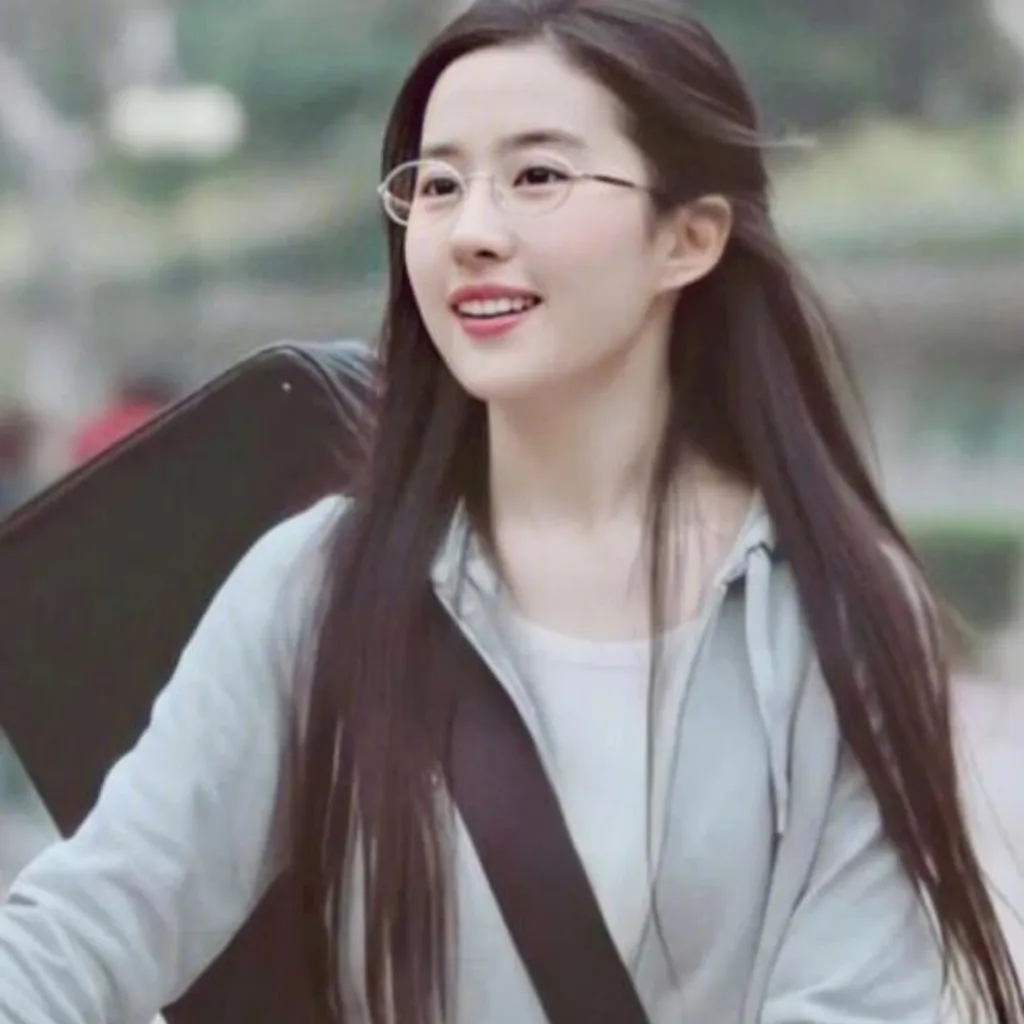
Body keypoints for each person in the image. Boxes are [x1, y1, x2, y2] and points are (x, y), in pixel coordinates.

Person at [0, 1, 1020, 1021]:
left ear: (689, 236)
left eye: (537, 176)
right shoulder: (317, 588)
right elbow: (91, 925)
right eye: (438, 185)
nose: (472, 232)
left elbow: (855, 1002)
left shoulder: (833, 613)